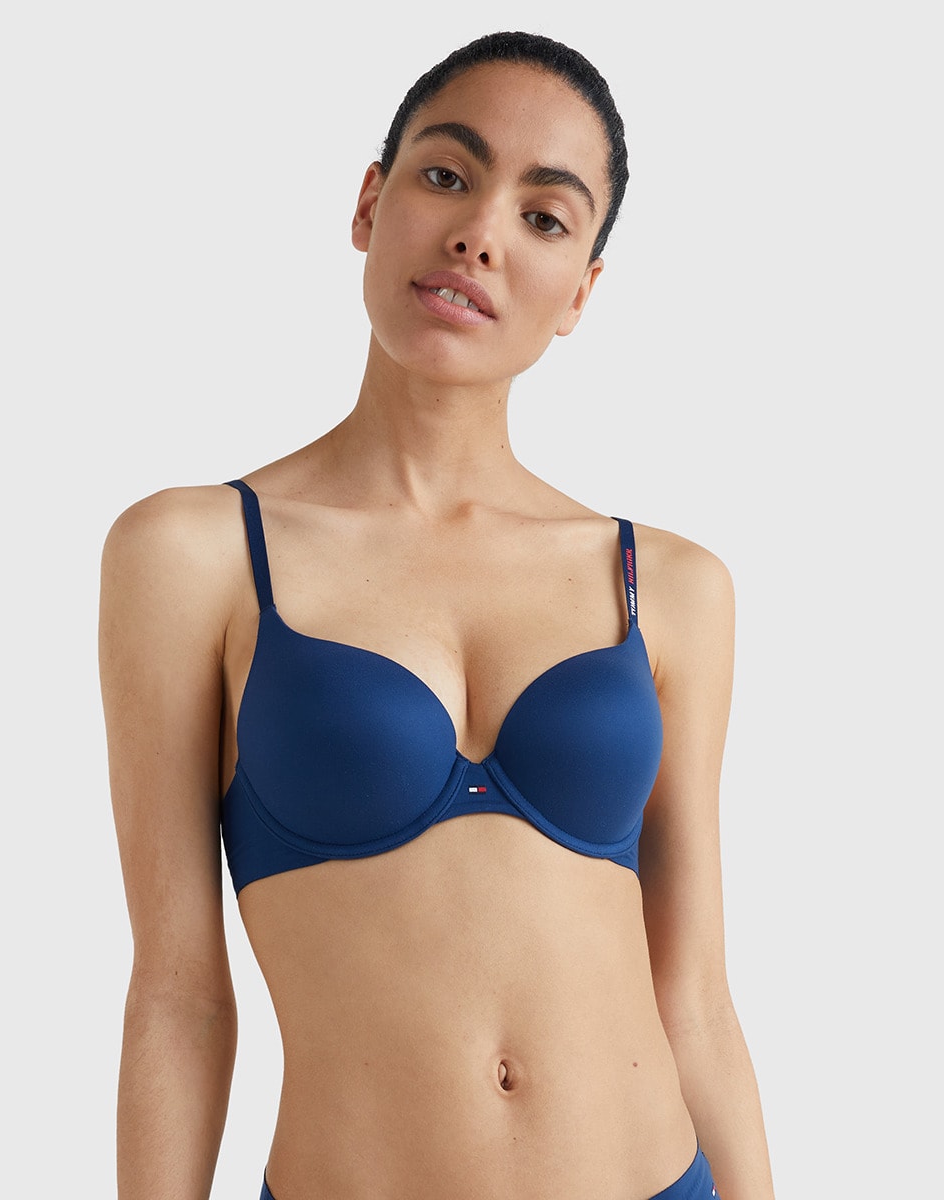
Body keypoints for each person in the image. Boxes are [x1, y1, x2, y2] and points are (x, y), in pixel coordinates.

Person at [99, 30, 775, 1200]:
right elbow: (178, 994)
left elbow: (698, 1001)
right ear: (371, 203)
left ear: (580, 293)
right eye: (448, 175)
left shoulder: (665, 584)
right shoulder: (193, 554)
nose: (479, 234)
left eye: (544, 217)